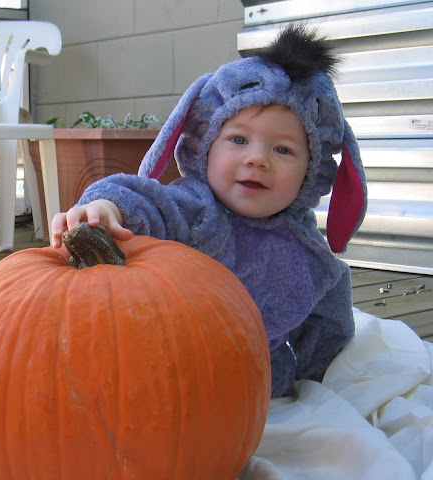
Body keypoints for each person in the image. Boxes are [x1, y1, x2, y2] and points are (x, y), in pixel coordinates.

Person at [51, 24, 367, 398]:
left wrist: (323, 382)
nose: (257, 159)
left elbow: (327, 324)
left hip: (259, 385)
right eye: (238, 140)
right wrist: (107, 206)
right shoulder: (195, 208)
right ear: (205, 144)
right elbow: (148, 201)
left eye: (283, 150)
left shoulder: (310, 254)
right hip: (162, 374)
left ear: (313, 171)